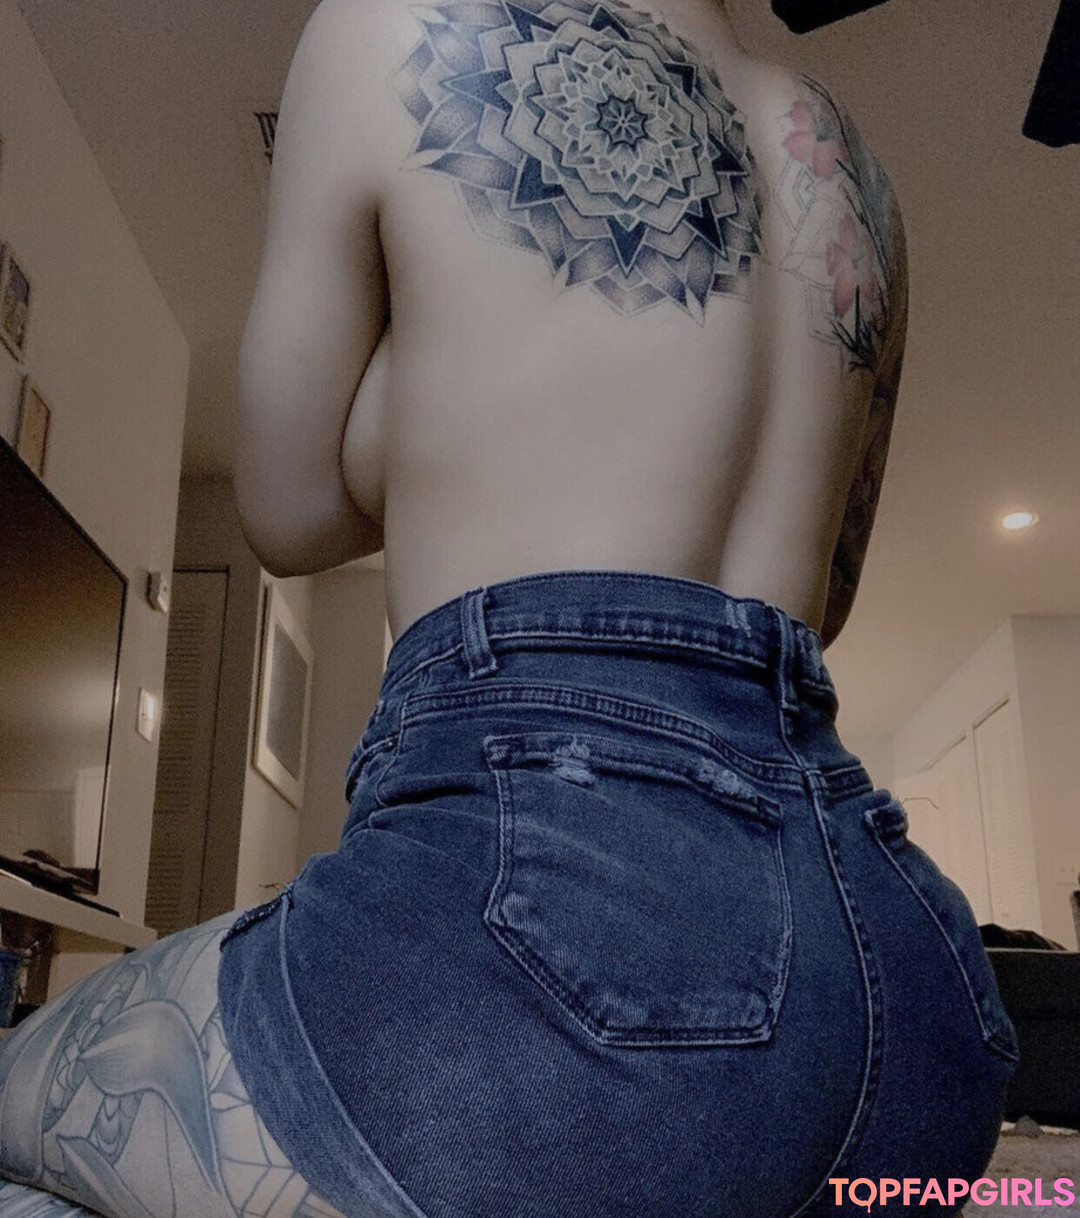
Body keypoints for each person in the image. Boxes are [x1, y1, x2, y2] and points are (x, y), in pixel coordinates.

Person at [0, 0, 1020, 1214]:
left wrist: (442, 359)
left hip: (563, 961)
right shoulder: (854, 170)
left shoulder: (398, 21)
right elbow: (828, 594)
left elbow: (288, 509)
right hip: (904, 1001)